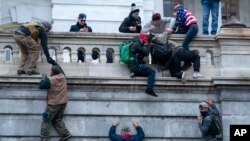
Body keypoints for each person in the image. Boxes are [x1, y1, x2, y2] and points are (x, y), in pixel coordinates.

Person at [39, 61, 71, 141]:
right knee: (57, 120)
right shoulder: (63, 76)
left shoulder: (50, 79)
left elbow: (41, 86)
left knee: (46, 121)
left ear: (53, 72)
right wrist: (53, 62)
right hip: (63, 102)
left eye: (51, 70)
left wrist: (43, 78)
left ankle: (44, 138)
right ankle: (65, 134)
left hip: (53, 104)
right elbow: (59, 68)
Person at [128, 33, 157, 97]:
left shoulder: (135, 43)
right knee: (152, 72)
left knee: (146, 70)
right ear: (141, 39)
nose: (145, 41)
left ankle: (135, 73)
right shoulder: (137, 44)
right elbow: (146, 52)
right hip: (135, 66)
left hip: (134, 66)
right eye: (144, 40)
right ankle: (149, 89)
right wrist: (150, 44)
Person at [173, 2, 199, 70]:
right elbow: (183, 29)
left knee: (184, 44)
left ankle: (188, 62)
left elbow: (181, 19)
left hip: (192, 27)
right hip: (193, 27)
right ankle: (188, 62)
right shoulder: (184, 12)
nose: (176, 12)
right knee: (185, 43)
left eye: (176, 10)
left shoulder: (181, 10)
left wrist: (174, 27)